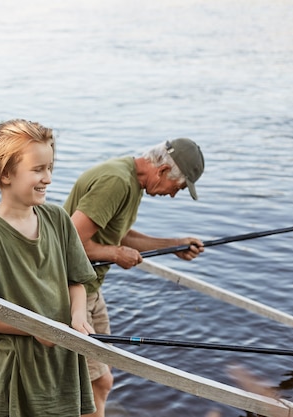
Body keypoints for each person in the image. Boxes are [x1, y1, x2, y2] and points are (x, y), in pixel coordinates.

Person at [0, 119, 98, 416]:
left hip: (63, 356)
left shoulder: (58, 219)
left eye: (50, 168)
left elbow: (78, 280)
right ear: (6, 173)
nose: (48, 178)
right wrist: (32, 328)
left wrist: (77, 317)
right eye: (37, 169)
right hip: (20, 367)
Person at [63, 138, 206, 417]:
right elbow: (69, 242)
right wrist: (116, 254)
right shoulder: (116, 181)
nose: (173, 195)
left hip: (90, 288)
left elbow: (119, 234)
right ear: (163, 170)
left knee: (104, 373)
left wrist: (173, 245)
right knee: (98, 384)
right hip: (69, 288)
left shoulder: (133, 181)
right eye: (177, 188)